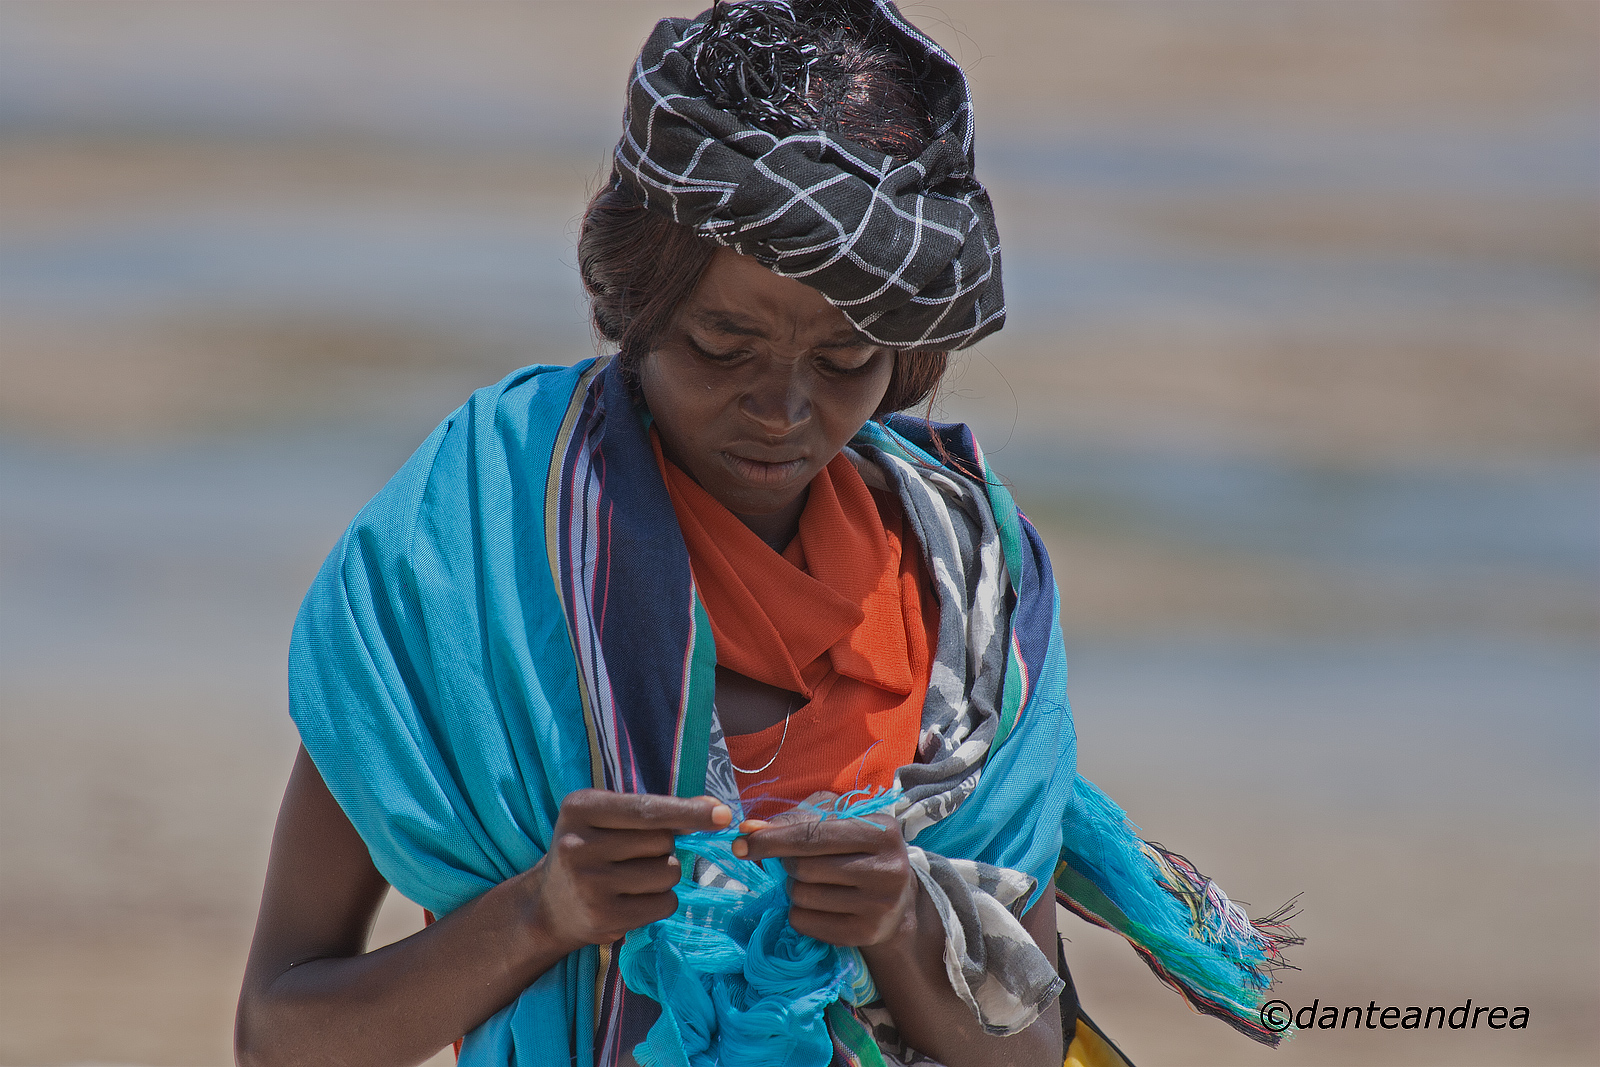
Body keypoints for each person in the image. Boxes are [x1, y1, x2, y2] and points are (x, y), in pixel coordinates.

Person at [236, 4, 1295, 1066]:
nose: (782, 410)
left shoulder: (964, 595)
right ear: (637, 300)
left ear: (908, 357)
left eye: (843, 363)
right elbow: (281, 1035)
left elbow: (1023, 1051)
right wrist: (541, 911)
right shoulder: (472, 554)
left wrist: (899, 923)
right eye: (722, 342)